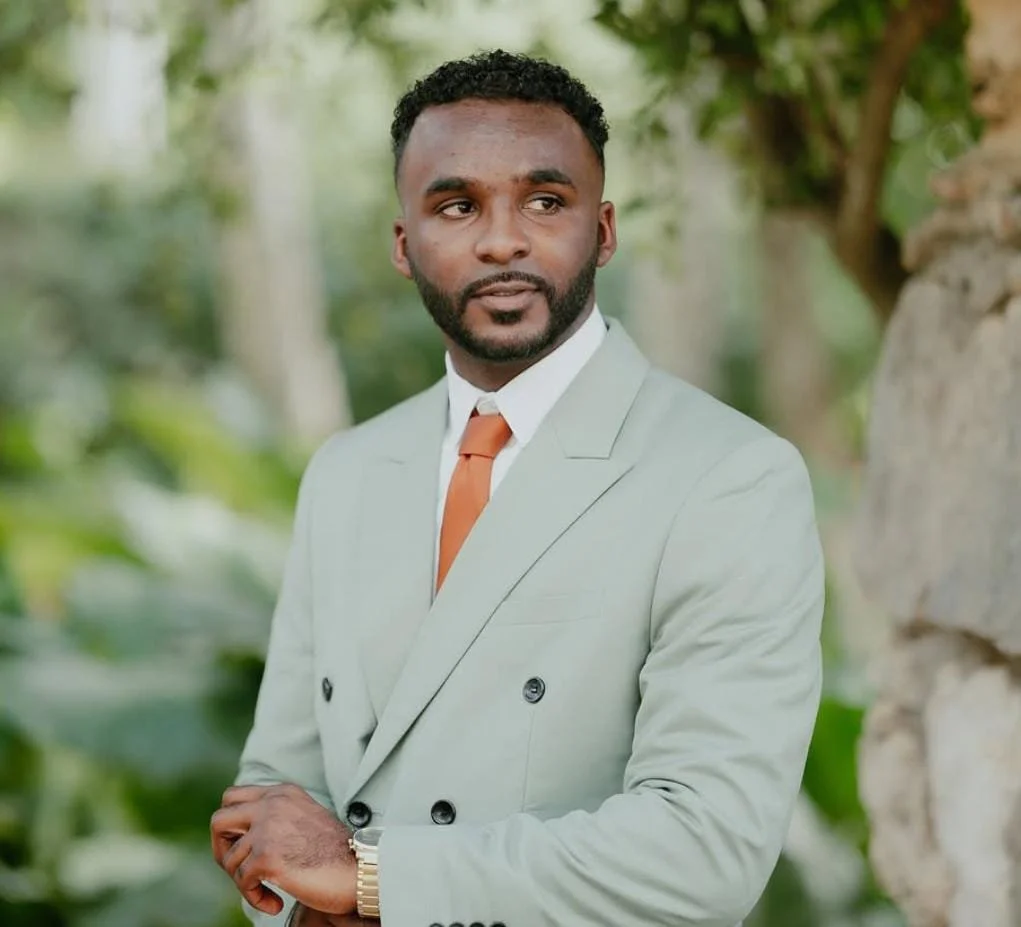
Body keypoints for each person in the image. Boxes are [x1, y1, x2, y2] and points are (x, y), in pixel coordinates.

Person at [210, 49, 825, 927]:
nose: (502, 239)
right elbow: (273, 794)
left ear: (604, 230)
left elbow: (704, 848)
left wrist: (375, 879)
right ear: (402, 243)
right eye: (457, 205)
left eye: (544, 200)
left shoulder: (729, 478)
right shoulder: (346, 472)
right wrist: (291, 892)